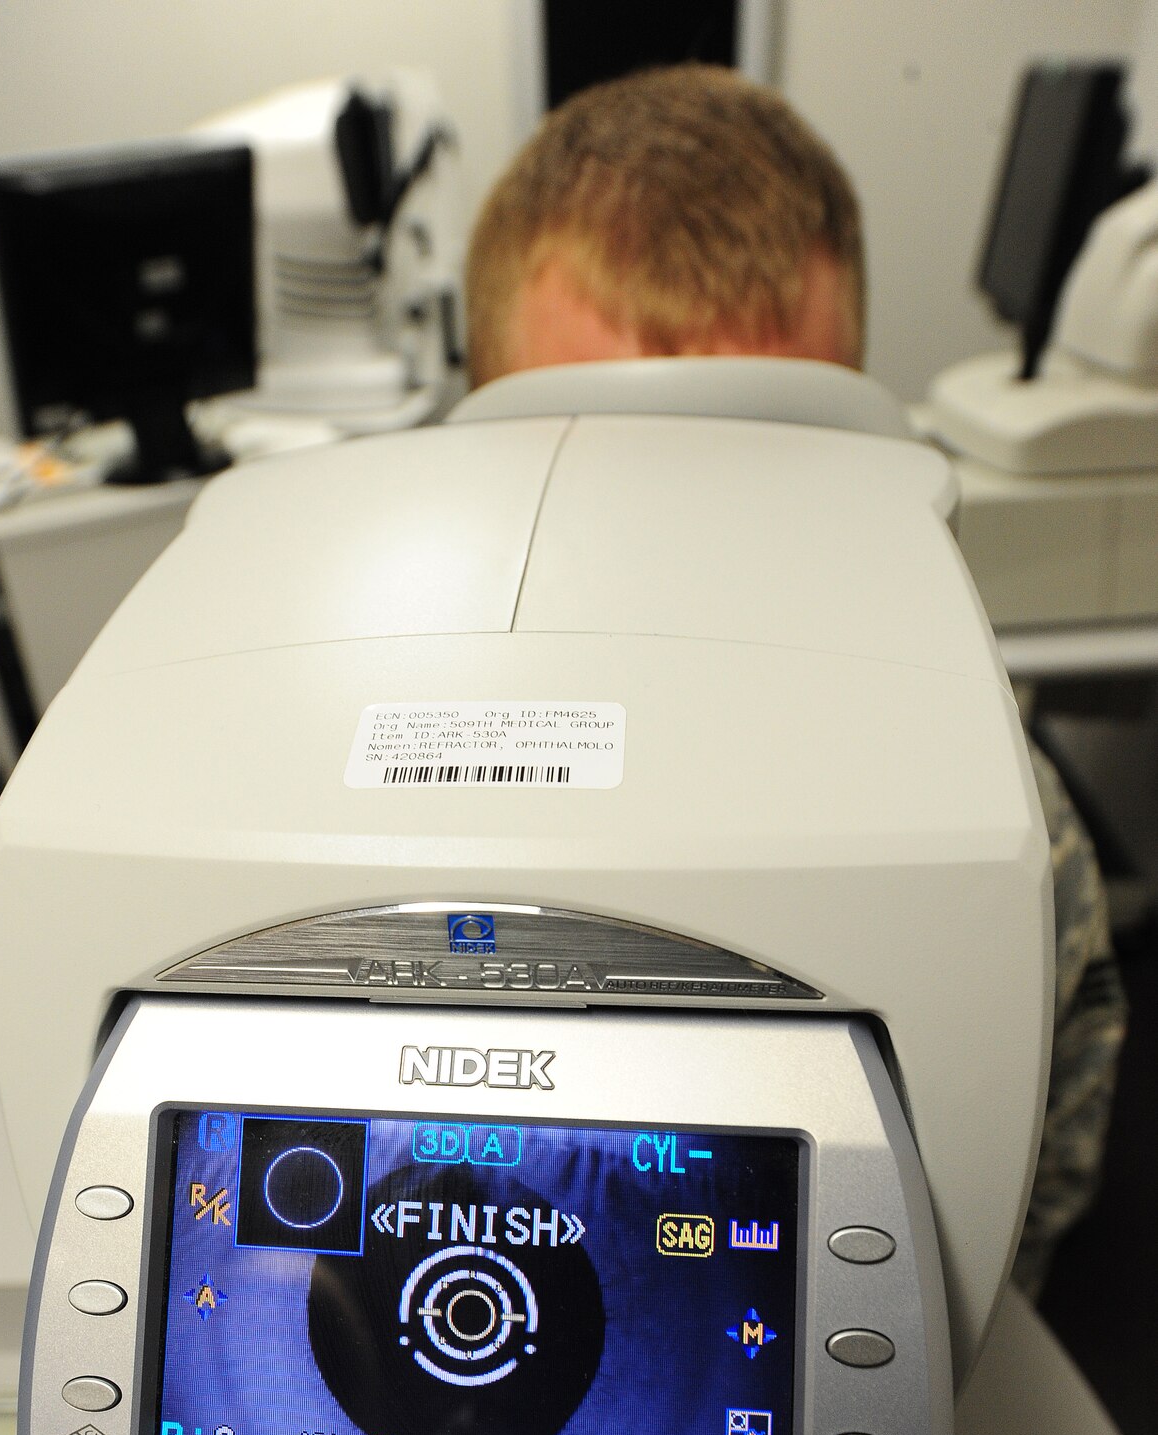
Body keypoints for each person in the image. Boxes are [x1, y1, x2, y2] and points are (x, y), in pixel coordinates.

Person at [464, 64, 1126, 1297]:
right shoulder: (373, 830)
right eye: (607, 476)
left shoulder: (1006, 847)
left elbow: (1008, 1238)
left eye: (770, 478)